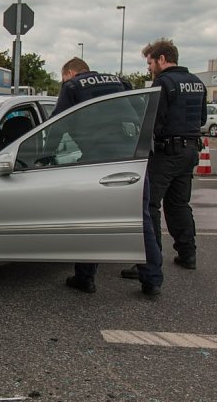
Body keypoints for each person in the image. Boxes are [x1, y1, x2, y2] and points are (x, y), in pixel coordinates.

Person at [51, 58, 161, 296]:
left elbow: (57, 125)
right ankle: (152, 280)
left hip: (97, 161)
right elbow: (140, 114)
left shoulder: (73, 87)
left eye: (63, 78)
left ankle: (85, 278)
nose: (63, 82)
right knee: (141, 219)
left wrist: (45, 156)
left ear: (70, 72)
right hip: (133, 157)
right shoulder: (120, 83)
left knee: (91, 219)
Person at [122, 39, 207, 284]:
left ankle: (151, 261)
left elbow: (153, 122)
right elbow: (202, 119)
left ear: (161, 59)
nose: (149, 68)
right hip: (190, 151)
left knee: (150, 207)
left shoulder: (164, 83)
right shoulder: (197, 82)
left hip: (166, 152)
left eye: (150, 63)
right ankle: (188, 254)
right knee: (179, 204)